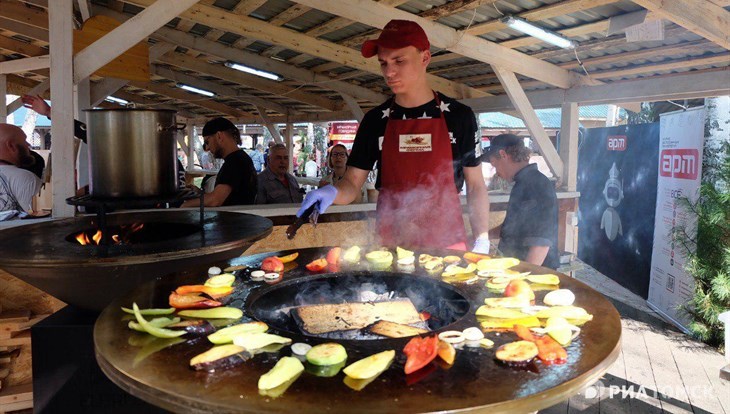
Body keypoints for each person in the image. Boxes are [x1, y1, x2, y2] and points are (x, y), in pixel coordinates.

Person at [297, 19, 490, 252]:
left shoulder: (459, 116)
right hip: (391, 245)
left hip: (447, 244)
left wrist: (482, 239)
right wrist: (330, 192)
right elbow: (351, 184)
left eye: (399, 61)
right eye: (383, 63)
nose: (389, 72)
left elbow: (476, 185)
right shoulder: (375, 121)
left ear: (425, 58)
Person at [482, 134, 559, 269]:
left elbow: (541, 243)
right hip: (516, 269)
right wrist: (481, 237)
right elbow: (512, 228)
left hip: (535, 276)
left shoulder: (537, 185)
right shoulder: (522, 184)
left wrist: (522, 278)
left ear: (503, 154)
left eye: (494, 164)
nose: (496, 171)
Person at [181, 117, 257, 207]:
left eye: (207, 142)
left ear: (219, 136)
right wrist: (200, 193)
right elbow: (229, 197)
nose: (207, 148)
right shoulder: (239, 159)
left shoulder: (235, 162)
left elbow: (215, 200)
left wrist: (185, 206)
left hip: (234, 220)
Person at [0, 124, 42, 219]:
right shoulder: (25, 178)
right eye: (24, 140)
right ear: (11, 146)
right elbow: (40, 219)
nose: (28, 145)